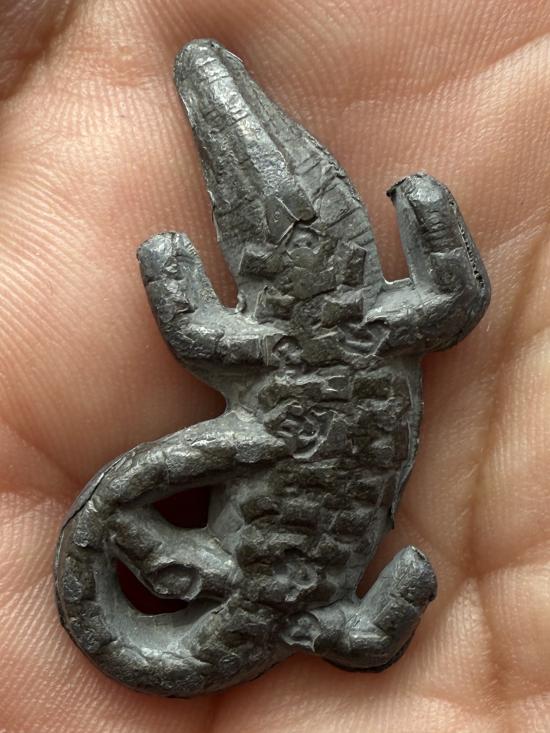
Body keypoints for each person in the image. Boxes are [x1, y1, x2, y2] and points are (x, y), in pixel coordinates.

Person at [0, 1, 548, 730]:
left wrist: (170, 270)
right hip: (294, 525)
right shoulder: (381, 326)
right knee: (336, 614)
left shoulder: (300, 337)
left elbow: (194, 331)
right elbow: (456, 299)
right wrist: (430, 214)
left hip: (285, 508)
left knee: (330, 610)